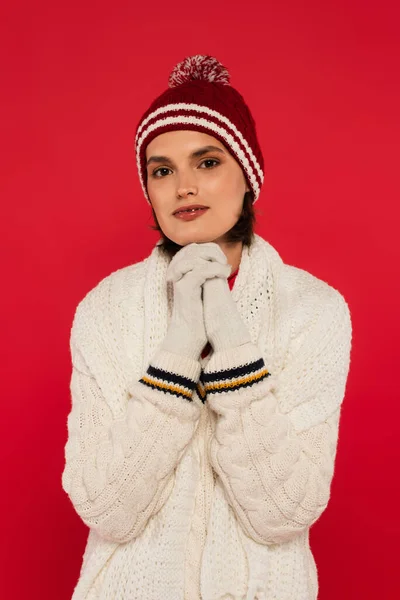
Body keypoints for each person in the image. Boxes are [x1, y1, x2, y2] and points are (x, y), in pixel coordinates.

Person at [61, 55, 353, 600]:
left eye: (208, 162)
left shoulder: (314, 309)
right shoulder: (106, 308)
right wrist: (176, 351)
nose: (184, 187)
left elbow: (284, 512)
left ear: (248, 176)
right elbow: (105, 507)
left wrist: (231, 339)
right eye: (162, 169)